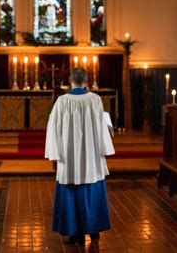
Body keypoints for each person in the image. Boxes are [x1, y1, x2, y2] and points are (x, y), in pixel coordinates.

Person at [45, 68, 114, 246]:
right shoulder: (95, 99)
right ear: (87, 80)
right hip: (91, 157)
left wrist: (54, 153)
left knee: (70, 192)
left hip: (68, 158)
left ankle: (74, 232)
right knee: (91, 191)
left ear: (70, 80)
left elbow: (53, 128)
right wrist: (104, 149)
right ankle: (93, 231)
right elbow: (101, 126)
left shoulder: (62, 101)